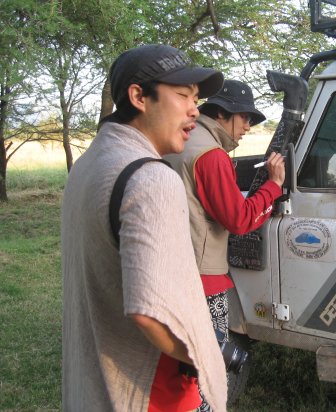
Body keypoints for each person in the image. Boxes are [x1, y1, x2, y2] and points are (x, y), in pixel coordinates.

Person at [61, 44, 228, 412]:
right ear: (138, 96)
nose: (194, 111)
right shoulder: (151, 178)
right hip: (147, 391)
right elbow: (148, 312)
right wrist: (204, 353)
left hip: (90, 385)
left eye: (196, 98)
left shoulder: (87, 166)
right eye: (183, 95)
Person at [164, 79, 285, 411]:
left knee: (179, 362)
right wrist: (274, 186)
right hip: (203, 278)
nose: (248, 126)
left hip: (172, 267)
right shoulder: (211, 155)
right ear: (222, 113)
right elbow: (239, 219)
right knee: (208, 365)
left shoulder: (180, 141)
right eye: (245, 117)